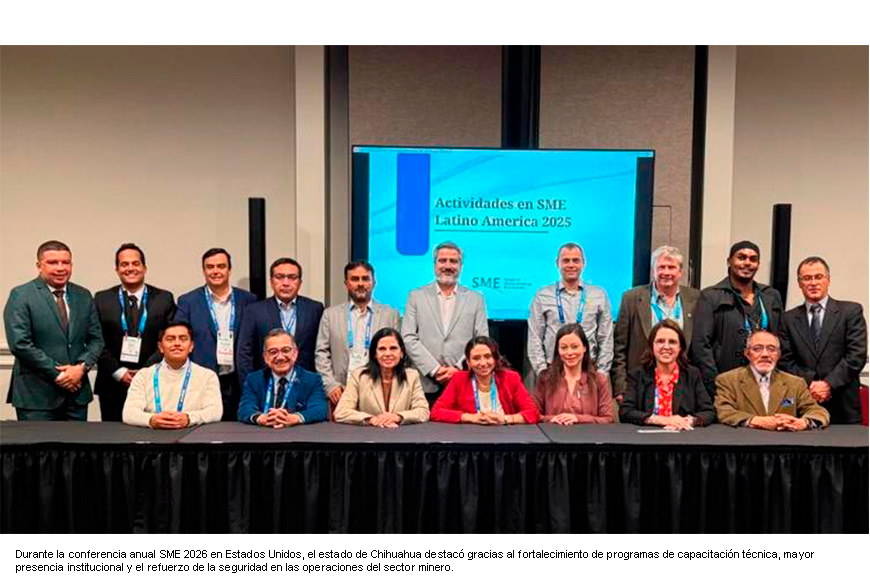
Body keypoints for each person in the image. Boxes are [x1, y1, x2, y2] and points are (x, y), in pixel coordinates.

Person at [4, 240, 104, 421]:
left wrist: (80, 368)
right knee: (38, 442)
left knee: (79, 441)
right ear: (39, 266)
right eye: (52, 262)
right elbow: (20, 344)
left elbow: (96, 340)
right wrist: (60, 375)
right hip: (36, 398)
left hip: (76, 396)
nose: (60, 268)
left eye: (66, 262)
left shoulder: (83, 295)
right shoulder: (21, 295)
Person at [779, 256, 867, 424]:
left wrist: (828, 384)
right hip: (803, 404)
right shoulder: (788, 319)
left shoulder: (850, 311)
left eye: (818, 277)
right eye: (807, 278)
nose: (813, 283)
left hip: (843, 406)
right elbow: (785, 360)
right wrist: (811, 383)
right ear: (799, 283)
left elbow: (856, 356)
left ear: (828, 280)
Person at [93, 243, 176, 421]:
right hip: (112, 383)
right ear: (117, 270)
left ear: (144, 268)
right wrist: (119, 372)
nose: (130, 268)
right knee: (113, 435)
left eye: (135, 263)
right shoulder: (101, 299)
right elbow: (95, 340)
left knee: (152, 434)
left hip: (153, 381)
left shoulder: (164, 299)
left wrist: (145, 372)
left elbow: (169, 339)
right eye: (124, 264)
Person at [691, 241, 783, 397]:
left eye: (753, 259)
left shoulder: (771, 296)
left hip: (765, 382)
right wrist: (716, 385)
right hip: (724, 383)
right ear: (729, 261)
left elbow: (780, 339)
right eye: (741, 257)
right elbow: (701, 346)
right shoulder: (711, 296)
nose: (747, 263)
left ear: (758, 264)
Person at [175, 248, 257, 421]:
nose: (215, 271)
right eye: (210, 267)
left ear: (229, 269)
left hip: (238, 379)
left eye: (221, 266)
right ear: (203, 270)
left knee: (240, 430)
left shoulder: (249, 300)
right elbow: (181, 338)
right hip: (202, 379)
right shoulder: (188, 301)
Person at [402, 242, 489, 403]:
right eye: (442, 261)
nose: (448, 266)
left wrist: (457, 369)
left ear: (461, 266)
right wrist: (434, 369)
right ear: (434, 265)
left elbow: (481, 340)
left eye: (453, 261)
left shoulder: (476, 299)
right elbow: (408, 337)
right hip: (424, 384)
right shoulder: (416, 296)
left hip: (462, 382)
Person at [612, 245, 700, 403]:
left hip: (683, 387)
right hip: (640, 385)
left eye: (671, 267)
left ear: (680, 272)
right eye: (661, 267)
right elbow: (619, 348)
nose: (666, 272)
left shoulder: (696, 299)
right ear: (653, 270)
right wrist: (621, 388)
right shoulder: (631, 298)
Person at [315, 261, 401, 408]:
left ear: (374, 283)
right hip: (341, 392)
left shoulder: (390, 314)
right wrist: (330, 385)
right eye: (355, 279)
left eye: (365, 279)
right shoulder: (330, 315)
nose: (360, 284)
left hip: (380, 392)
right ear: (346, 283)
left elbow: (397, 353)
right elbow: (321, 353)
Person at [528, 242, 614, 379]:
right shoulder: (542, 296)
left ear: (583, 263)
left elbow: (606, 338)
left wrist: (601, 373)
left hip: (589, 370)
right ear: (557, 263)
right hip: (553, 370)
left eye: (575, 260)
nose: (571, 265)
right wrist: (542, 372)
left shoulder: (598, 295)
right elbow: (535, 338)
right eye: (566, 261)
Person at [715, 329, 829, 429]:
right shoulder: (728, 380)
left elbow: (817, 411)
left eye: (771, 349)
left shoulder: (795, 383)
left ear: (778, 355)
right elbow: (724, 411)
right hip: (745, 443)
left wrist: (804, 422)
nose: (765, 354)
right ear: (747, 353)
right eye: (757, 349)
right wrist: (756, 421)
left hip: (784, 443)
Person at [237, 258, 324, 386]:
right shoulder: (254, 311)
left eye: (292, 277)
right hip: (266, 385)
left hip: (305, 385)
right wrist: (251, 387)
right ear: (271, 282)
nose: (286, 283)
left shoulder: (315, 309)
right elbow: (244, 354)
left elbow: (321, 350)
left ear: (300, 282)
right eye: (279, 277)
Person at [122, 321, 222, 428]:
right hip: (152, 434)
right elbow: (128, 413)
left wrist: (189, 418)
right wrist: (151, 420)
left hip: (191, 434)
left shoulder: (208, 376)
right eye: (170, 339)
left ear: (191, 346)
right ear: (160, 347)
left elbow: (215, 411)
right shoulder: (144, 375)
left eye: (183, 339)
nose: (177, 343)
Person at [620, 319, 715, 429]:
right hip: (647, 436)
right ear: (652, 346)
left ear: (680, 347)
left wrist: (689, 421)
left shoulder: (692, 374)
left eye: (672, 342)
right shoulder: (637, 375)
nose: (666, 347)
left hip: (683, 435)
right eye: (660, 341)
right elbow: (625, 412)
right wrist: (660, 420)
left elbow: (708, 412)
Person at [430, 337, 539, 425]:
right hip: (470, 436)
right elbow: (436, 412)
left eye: (487, 357)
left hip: (504, 435)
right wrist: (471, 418)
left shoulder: (511, 379)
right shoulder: (459, 379)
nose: (482, 363)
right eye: (476, 358)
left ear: (495, 359)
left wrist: (505, 419)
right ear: (468, 363)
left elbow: (533, 413)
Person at [334, 328, 429, 427]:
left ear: (401, 353)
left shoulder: (412, 376)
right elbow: (341, 412)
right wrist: (371, 419)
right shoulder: (359, 376)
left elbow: (423, 412)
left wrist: (397, 417)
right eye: (382, 349)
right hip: (369, 433)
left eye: (393, 348)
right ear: (375, 354)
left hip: (400, 433)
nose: (388, 354)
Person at [237, 329, 328, 427]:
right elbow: (244, 409)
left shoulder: (312, 380)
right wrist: (260, 418)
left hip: (298, 434)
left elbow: (320, 409)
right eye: (273, 352)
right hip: (264, 433)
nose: (280, 357)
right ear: (265, 357)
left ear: (295, 353)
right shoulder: (254, 380)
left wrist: (294, 418)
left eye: (285, 350)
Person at [534, 323, 612, 424]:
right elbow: (534, 414)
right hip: (553, 432)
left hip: (589, 433)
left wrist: (579, 419)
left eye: (574, 347)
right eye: (564, 348)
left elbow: (607, 418)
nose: (569, 353)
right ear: (558, 350)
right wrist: (551, 419)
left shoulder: (599, 380)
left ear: (584, 348)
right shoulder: (545, 378)